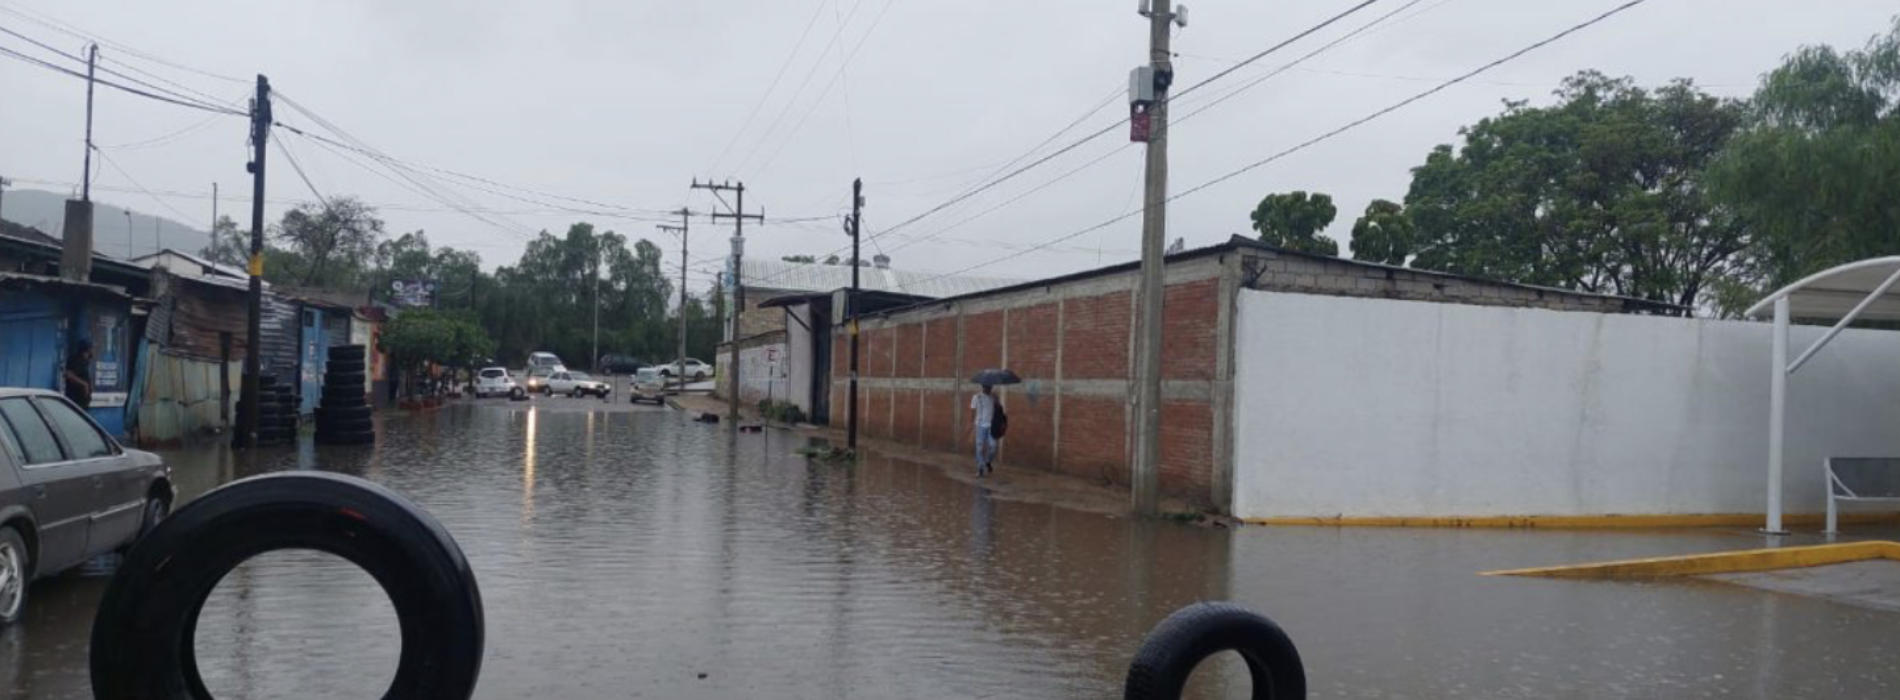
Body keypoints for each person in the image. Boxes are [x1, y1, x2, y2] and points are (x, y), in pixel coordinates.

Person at [970, 383, 997, 477]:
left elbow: (997, 410)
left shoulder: (994, 397)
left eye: (990, 386)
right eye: (986, 386)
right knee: (980, 447)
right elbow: (972, 411)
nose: (989, 388)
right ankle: (980, 467)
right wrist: (972, 425)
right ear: (983, 387)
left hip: (991, 426)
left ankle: (988, 462)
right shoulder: (976, 397)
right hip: (980, 426)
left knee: (993, 446)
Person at [64, 339, 94, 409]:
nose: (93, 350)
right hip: (76, 400)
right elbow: (68, 375)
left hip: (83, 401)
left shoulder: (85, 361)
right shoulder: (77, 360)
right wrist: (84, 384)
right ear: (87, 349)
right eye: (91, 348)